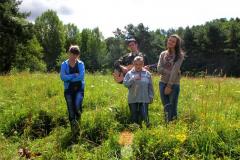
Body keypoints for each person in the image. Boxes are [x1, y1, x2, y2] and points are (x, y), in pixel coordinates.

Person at [157, 34, 184, 123]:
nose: (170, 42)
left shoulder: (179, 55)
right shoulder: (163, 54)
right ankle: (167, 125)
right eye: (169, 40)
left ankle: (173, 126)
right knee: (166, 106)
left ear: (176, 44)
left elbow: (175, 70)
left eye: (173, 41)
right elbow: (159, 69)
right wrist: (170, 72)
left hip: (174, 84)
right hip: (162, 82)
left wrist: (169, 85)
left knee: (172, 106)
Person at [60, 45, 85, 140]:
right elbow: (62, 77)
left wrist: (69, 77)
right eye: (72, 54)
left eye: (76, 55)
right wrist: (74, 75)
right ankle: (73, 131)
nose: (73, 56)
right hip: (68, 90)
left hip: (79, 89)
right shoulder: (64, 64)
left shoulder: (81, 64)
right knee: (71, 110)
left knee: (77, 107)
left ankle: (79, 128)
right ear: (69, 53)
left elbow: (81, 77)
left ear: (78, 55)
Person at [123, 56, 154, 127]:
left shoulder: (147, 74)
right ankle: (135, 131)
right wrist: (133, 78)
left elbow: (150, 87)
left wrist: (151, 96)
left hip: (144, 98)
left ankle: (146, 131)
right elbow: (125, 84)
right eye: (136, 64)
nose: (138, 66)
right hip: (133, 98)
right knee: (134, 116)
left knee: (145, 116)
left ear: (143, 64)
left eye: (140, 64)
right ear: (133, 64)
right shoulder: (129, 73)